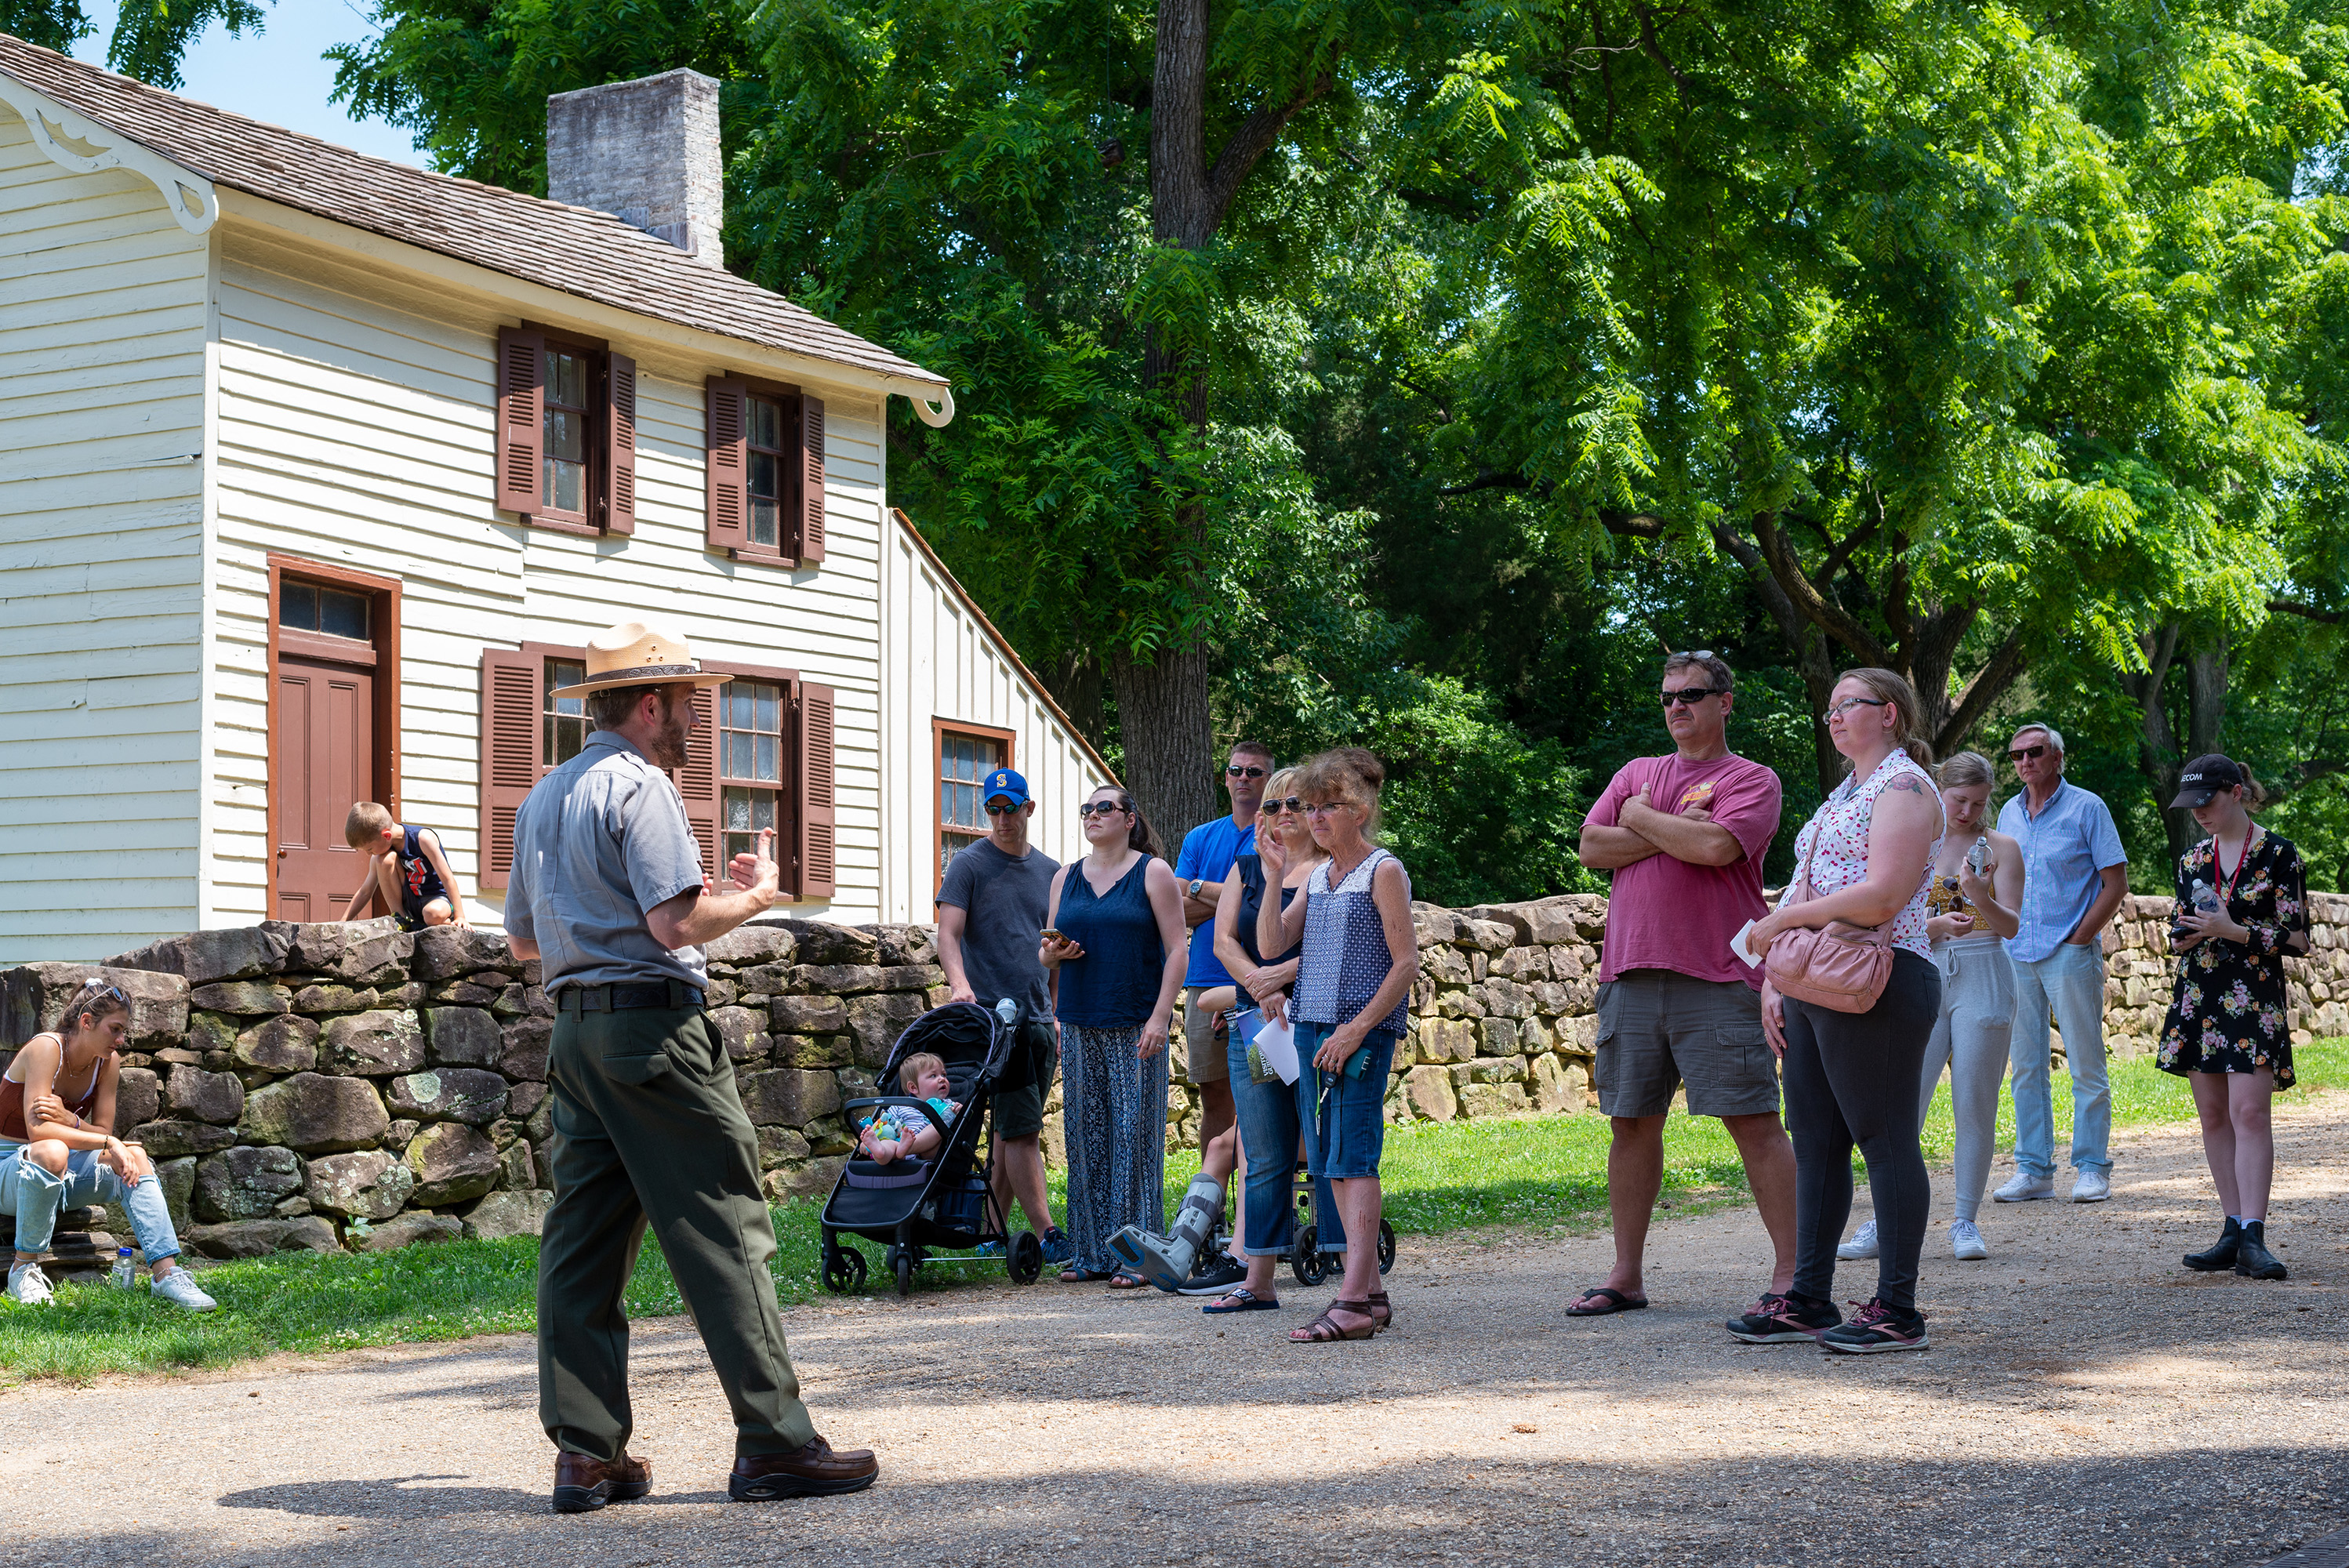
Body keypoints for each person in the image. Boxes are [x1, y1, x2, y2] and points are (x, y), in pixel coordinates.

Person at [504, 621, 876, 1513]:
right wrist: (752, 896)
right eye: (684, 703)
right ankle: (777, 1441)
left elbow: (522, 939)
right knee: (723, 1226)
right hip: (653, 1030)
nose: (692, 720)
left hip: (576, 1037)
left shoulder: (543, 796)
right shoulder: (642, 786)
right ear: (646, 704)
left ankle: (586, 1453)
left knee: (581, 1246)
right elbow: (676, 926)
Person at [1569, 650, 1795, 1319]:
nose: (1677, 707)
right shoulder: (1637, 772)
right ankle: (1626, 1275)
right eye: (1668, 697)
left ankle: (1792, 1275)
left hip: (1720, 977)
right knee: (1630, 1124)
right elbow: (1589, 848)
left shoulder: (1752, 779)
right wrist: (1667, 829)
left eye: (1692, 695)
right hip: (1631, 974)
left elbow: (1716, 849)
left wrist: (1637, 819)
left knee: (1753, 1121)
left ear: (1725, 702)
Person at [1741, 668, 1944, 1354]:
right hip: (1815, 984)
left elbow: (1884, 895)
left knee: (1885, 1141)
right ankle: (1807, 1298)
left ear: (1888, 714)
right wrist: (1776, 978)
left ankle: (1897, 1309)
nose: (1832, 717)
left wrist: (1785, 922)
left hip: (1881, 979)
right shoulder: (1843, 795)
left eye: (1846, 705)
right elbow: (1808, 883)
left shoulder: (1907, 788)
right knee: (1817, 1143)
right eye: (1828, 708)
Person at [1836, 751, 2020, 1264]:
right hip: (1923, 967)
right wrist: (1934, 928)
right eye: (1959, 800)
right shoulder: (1915, 840)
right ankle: (1884, 1219)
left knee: (1974, 1101)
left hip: (1984, 970)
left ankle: (1965, 1220)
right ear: (1941, 788)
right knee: (1902, 1103)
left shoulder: (2001, 846)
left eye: (1978, 803)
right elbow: (1881, 913)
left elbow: (2010, 926)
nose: (1967, 811)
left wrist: (1980, 894)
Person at [1258, 748, 1417, 1343]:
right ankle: (1369, 1294)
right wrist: (1275, 874)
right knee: (1330, 1162)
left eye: (1330, 806)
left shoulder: (1383, 870)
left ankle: (1350, 1301)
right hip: (1312, 1031)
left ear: (1363, 810)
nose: (1316, 817)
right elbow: (1273, 943)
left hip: (1360, 1033)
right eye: (1310, 806)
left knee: (1353, 1159)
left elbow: (1405, 965)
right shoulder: (1321, 876)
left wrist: (1356, 1029)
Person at [2158, 754, 2307, 1281]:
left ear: (2237, 792)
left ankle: (2253, 1234)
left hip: (2253, 998)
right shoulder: (2191, 860)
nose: (2198, 812)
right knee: (2215, 1117)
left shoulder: (2278, 854)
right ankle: (2230, 1227)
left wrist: (2234, 930)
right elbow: (2182, 931)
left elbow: (2298, 940)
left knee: (2249, 1114)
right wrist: (2187, 933)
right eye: (2191, 804)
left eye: (2208, 801)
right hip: (2200, 997)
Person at [1200, 768, 1340, 1313]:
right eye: (1274, 803)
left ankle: (1350, 1270)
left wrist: (1279, 978)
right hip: (1260, 1029)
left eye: (1297, 802)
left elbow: (1337, 947)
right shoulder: (1246, 868)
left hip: (1314, 1023)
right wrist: (1258, 983)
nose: (1285, 811)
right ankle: (1258, 1279)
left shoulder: (1333, 871)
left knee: (1326, 1143)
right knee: (1262, 1148)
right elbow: (1223, 940)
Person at [1040, 785, 1189, 1285]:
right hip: (1081, 1020)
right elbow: (1045, 953)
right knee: (1085, 1138)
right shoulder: (1066, 876)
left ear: (1129, 819)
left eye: (1105, 807)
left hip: (1135, 1024)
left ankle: (1138, 1256)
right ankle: (1089, 1253)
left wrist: (1160, 1017)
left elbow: (1178, 950)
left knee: (1134, 1139)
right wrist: (1054, 956)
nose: (1093, 815)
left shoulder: (1153, 872)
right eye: (1087, 808)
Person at [2, 980, 216, 1312]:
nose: (121, 1040)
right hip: (10, 1170)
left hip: (61, 1170)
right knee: (53, 1150)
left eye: (123, 1031)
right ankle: (23, 1269)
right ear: (86, 1022)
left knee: (136, 1156)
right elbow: (39, 1130)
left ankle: (167, 1275)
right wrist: (106, 1140)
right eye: (114, 1029)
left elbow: (100, 1129)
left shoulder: (108, 1062)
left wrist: (74, 1122)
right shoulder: (45, 1048)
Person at [934, 767, 1073, 1265]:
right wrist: (961, 986)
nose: (1000, 819)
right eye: (992, 810)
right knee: (1021, 1130)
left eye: (1009, 809)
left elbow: (1053, 946)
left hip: (1040, 1019)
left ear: (1028, 809)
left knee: (1008, 1131)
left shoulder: (1053, 873)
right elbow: (947, 934)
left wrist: (1056, 1010)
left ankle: (991, 1230)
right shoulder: (969, 864)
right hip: (996, 1021)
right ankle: (1050, 1233)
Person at [1995, 724, 2130, 1203]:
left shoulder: (2087, 807)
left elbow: (2115, 884)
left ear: (2057, 757)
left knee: (2085, 1063)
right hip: (2015, 954)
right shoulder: (2008, 813)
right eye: (2016, 755)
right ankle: (2034, 1170)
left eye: (2035, 752)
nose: (2024, 762)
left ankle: (2092, 1166)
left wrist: (2080, 939)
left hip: (2068, 952)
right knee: (2026, 1066)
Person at [1168, 742, 1273, 1290]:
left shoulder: (1276, 833)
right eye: (1235, 771)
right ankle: (1217, 1213)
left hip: (1259, 985)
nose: (1244, 779)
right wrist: (1230, 891)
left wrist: (1204, 891)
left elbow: (1258, 901)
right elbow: (1179, 907)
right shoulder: (1201, 838)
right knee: (1214, 1097)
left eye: (1255, 772)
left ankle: (1256, 1220)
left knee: (1261, 1095)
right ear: (1224, 777)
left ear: (1269, 779)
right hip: (1205, 979)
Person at [340, 801, 467, 930]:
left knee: (431, 914)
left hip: (437, 900)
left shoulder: (423, 839)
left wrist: (460, 916)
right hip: (412, 904)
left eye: (370, 849)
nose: (368, 854)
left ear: (386, 836)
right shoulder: (381, 856)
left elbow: (447, 878)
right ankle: (400, 918)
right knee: (383, 860)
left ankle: (446, 920)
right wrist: (343, 922)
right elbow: (365, 892)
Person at [855, 1052, 959, 1166]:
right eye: (933, 1076)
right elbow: (884, 1123)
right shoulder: (901, 1106)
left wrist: (958, 1111)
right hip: (899, 1149)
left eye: (943, 1075)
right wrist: (868, 1142)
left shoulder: (948, 1106)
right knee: (887, 1145)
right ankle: (878, 1150)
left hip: (927, 1153)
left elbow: (956, 1120)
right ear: (913, 1087)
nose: (942, 1079)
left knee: (940, 1125)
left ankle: (908, 1147)